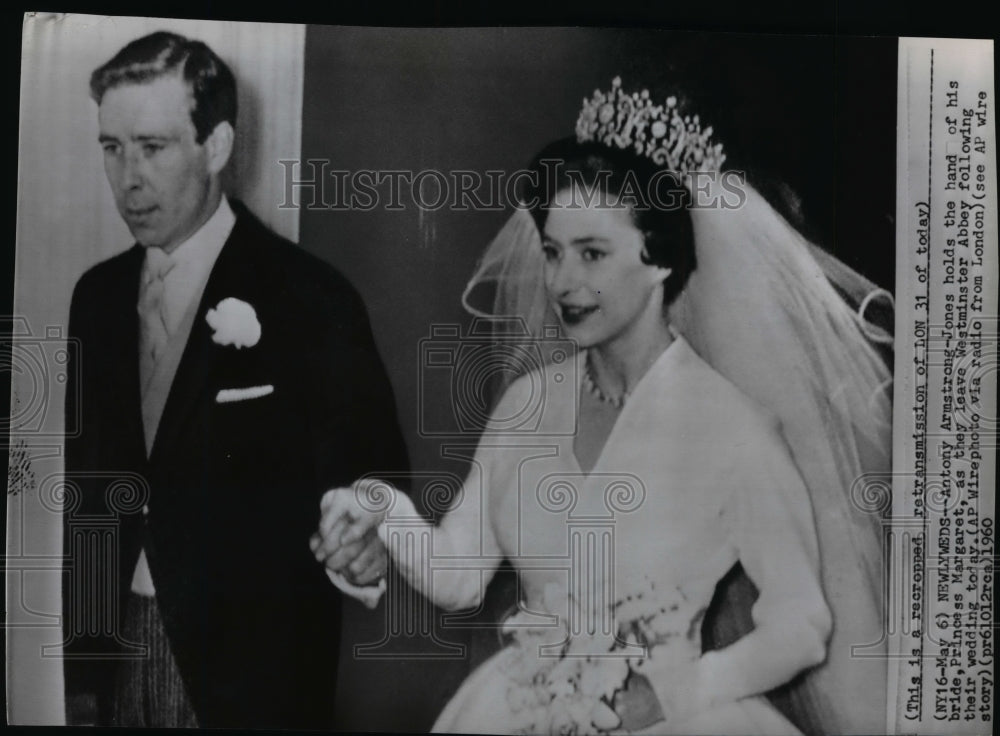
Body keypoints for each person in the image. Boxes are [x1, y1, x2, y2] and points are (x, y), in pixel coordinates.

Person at [313, 77, 893, 734]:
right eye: (554, 252)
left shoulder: (731, 427)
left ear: (659, 261)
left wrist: (671, 693)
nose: (562, 283)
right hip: (516, 712)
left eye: (593, 253)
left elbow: (802, 623)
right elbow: (460, 576)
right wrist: (379, 510)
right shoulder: (526, 405)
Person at [61, 31, 408, 729]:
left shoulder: (312, 297)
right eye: (111, 147)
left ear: (215, 148)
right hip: (116, 662)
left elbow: (377, 481)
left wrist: (364, 539)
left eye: (152, 147)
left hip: (255, 680)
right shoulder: (94, 300)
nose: (127, 177)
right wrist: (83, 679)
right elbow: (88, 499)